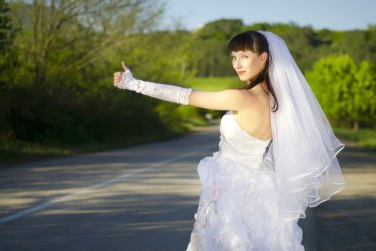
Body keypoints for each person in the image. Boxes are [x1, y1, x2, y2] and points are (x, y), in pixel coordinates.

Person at [113, 30, 346, 251]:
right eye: (234, 57)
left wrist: (133, 83)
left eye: (245, 56)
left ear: (263, 58)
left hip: (230, 188)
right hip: (263, 189)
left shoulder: (240, 98)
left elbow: (183, 95)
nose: (237, 64)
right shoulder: (279, 103)